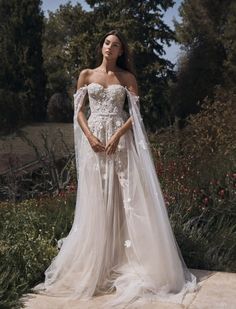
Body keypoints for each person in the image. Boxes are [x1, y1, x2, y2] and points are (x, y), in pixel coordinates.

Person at [32, 30, 199, 308]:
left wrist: (119, 135)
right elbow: (79, 111)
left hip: (120, 143)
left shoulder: (127, 78)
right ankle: (99, 263)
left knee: (126, 198)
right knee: (97, 198)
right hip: (95, 143)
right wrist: (90, 137)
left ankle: (127, 260)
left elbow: (135, 115)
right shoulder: (86, 75)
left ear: (122, 51)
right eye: (107, 43)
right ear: (102, 47)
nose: (110, 47)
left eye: (116, 45)